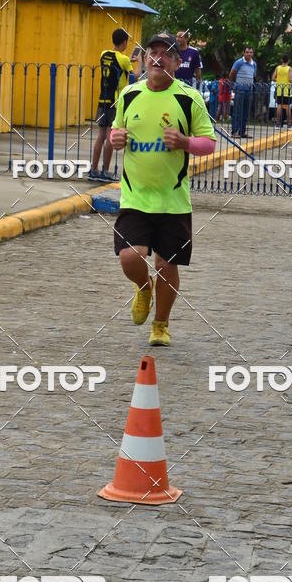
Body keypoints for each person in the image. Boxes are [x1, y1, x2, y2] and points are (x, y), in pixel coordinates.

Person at [110, 31, 216, 346]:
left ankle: (161, 324)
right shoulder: (129, 94)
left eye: (165, 54)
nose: (158, 58)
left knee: (167, 265)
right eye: (152, 52)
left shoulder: (189, 98)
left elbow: (208, 143)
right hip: (135, 196)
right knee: (130, 256)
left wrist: (185, 142)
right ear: (144, 59)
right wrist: (116, 138)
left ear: (176, 62)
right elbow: (117, 130)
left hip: (173, 201)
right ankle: (144, 288)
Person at [90, 28, 137, 182]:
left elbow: (116, 63)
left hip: (102, 98)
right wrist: (140, 60)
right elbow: (134, 77)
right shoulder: (124, 60)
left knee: (101, 136)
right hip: (115, 102)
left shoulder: (103, 54)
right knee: (111, 136)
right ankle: (105, 171)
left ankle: (93, 169)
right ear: (124, 42)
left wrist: (128, 59)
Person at [229, 46, 257, 137]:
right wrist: (234, 84)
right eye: (247, 52)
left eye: (250, 52)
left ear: (252, 53)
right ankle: (235, 131)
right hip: (240, 89)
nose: (249, 54)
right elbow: (232, 73)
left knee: (246, 111)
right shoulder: (239, 62)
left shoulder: (254, 64)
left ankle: (242, 131)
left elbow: (253, 75)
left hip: (249, 89)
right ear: (244, 53)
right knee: (238, 111)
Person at [273, 54, 292, 127]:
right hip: (287, 89)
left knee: (279, 106)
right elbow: (290, 79)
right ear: (288, 61)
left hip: (279, 89)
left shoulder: (277, 68)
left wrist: (279, 80)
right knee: (287, 106)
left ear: (282, 60)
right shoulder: (289, 68)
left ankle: (277, 123)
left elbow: (273, 78)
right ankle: (289, 123)